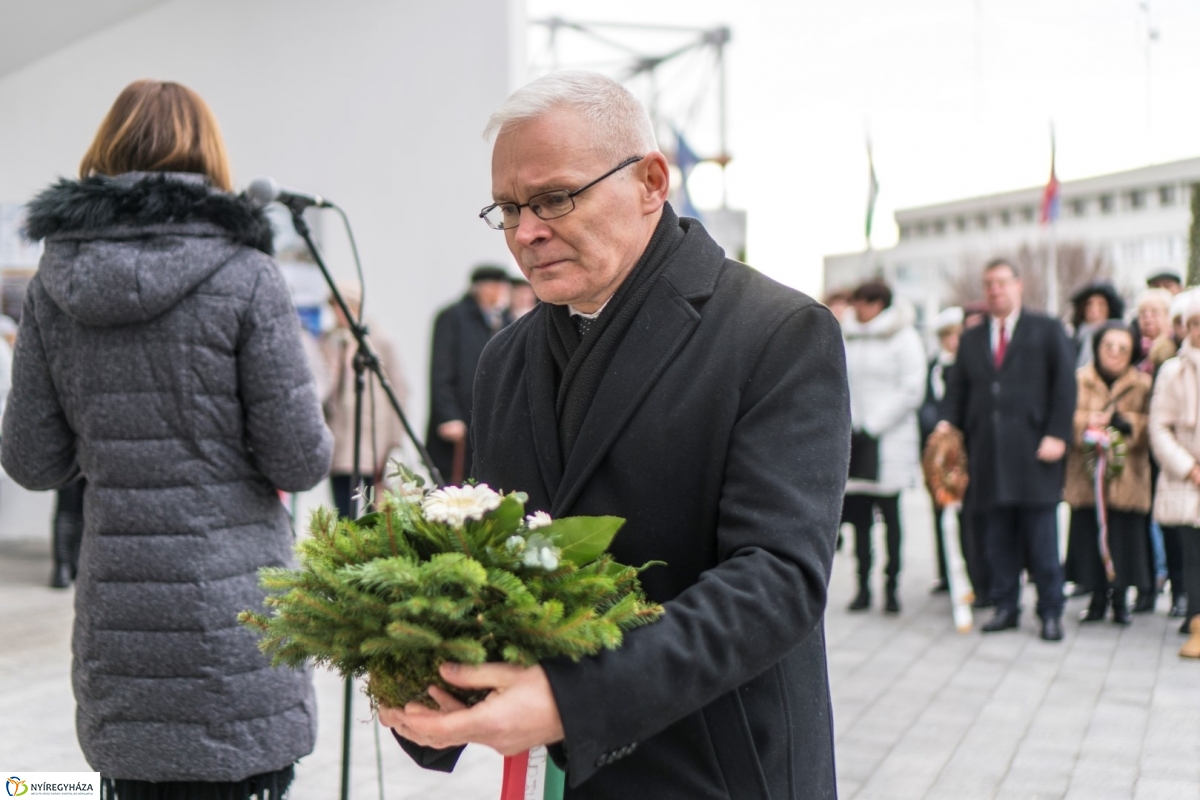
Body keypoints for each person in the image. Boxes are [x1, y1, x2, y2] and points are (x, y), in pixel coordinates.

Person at [379, 70, 849, 798]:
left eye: (554, 198)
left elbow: (778, 580)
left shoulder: (775, 332)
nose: (527, 232)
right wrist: (430, 682)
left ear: (652, 182)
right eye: (507, 209)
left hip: (719, 767)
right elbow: (500, 562)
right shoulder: (505, 359)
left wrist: (576, 698)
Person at [1, 79, 332, 797]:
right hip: (235, 618)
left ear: (105, 153)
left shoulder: (52, 285)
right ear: (209, 155)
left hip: (121, 618)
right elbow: (299, 459)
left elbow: (32, 461)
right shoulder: (248, 276)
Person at [939, 259, 1077, 641]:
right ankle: (1005, 607)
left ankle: (1050, 611)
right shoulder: (970, 338)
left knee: (1041, 540)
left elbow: (1065, 386)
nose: (995, 290)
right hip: (988, 454)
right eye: (988, 284)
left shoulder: (1047, 329)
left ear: (1019, 285)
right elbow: (957, 394)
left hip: (1036, 452)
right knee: (997, 538)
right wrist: (946, 426)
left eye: (1001, 282)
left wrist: (1057, 435)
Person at [841, 281, 926, 613]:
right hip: (855, 440)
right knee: (859, 520)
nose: (856, 309)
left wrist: (874, 423)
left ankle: (892, 587)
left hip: (888, 440)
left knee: (891, 518)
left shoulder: (903, 338)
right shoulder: (847, 336)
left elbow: (911, 389)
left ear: (879, 305)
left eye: (863, 303)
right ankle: (863, 587)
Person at [1063, 324, 1153, 624]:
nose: (1114, 353)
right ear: (1098, 348)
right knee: (1089, 535)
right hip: (1088, 476)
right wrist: (1089, 423)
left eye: (1122, 348)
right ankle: (1097, 597)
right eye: (1108, 346)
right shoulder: (1079, 380)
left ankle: (1121, 600)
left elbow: (1152, 424)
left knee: (1125, 538)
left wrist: (1126, 423)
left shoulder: (1142, 385)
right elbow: (1066, 417)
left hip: (1127, 477)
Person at [321, 282, 408, 518]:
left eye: (342, 306)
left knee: (376, 513)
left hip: (374, 444)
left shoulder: (379, 341)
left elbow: (398, 391)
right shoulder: (329, 342)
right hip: (340, 444)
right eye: (334, 307)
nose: (338, 313)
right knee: (344, 514)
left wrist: (393, 441)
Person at [425, 265, 512, 483]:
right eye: (498, 286)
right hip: (459, 426)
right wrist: (449, 416)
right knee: (454, 490)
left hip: (491, 427)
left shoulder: (506, 320)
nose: (503, 291)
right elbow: (441, 371)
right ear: (482, 288)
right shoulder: (453, 317)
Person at [1149, 292, 1200, 658]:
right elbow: (1159, 428)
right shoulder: (1173, 371)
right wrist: (1189, 467)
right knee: (1193, 556)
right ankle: (1197, 622)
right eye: (1195, 323)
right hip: (1189, 480)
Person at [920, 306, 965, 594]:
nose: (952, 341)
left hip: (961, 452)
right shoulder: (934, 367)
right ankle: (945, 573)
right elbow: (925, 403)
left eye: (956, 335)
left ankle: (966, 571)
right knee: (939, 507)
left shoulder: (966, 366)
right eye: (947, 336)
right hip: (938, 449)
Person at [1069, 281, 1124, 368]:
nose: (1094, 309)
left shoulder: (1121, 339)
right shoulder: (1073, 339)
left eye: (1101, 304)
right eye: (1089, 304)